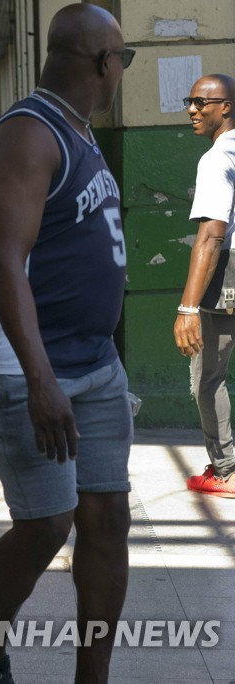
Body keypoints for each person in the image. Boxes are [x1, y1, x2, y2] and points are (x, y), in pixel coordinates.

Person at [0, 5, 134, 681]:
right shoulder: (30, 135)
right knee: (49, 521)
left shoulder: (79, 133)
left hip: (94, 362)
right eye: (124, 60)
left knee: (107, 519)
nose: (122, 72)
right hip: (23, 364)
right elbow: (5, 261)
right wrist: (40, 379)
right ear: (101, 64)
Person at [173, 74, 235, 497]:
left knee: (206, 378)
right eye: (189, 101)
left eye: (201, 102)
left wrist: (188, 308)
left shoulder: (216, 159)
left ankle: (227, 469)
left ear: (226, 107)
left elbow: (211, 235)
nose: (192, 109)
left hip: (228, 273)